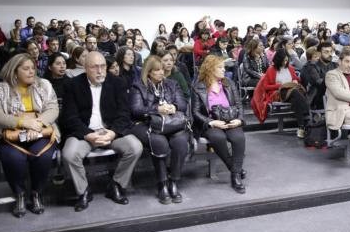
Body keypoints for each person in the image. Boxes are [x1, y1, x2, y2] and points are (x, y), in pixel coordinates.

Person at [61, 52, 143, 211]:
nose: (100, 71)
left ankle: (116, 184)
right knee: (69, 154)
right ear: (85, 68)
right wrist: (88, 134)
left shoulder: (117, 83)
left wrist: (113, 133)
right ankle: (83, 191)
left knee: (135, 147)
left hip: (110, 131)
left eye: (103, 66)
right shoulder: (72, 85)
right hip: (85, 133)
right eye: (95, 67)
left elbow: (124, 113)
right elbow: (69, 117)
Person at [0, 53, 60, 217]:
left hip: (40, 131)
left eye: (33, 68)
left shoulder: (44, 85)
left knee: (42, 156)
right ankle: (19, 194)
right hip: (10, 135)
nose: (31, 72)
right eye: (26, 69)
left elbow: (53, 109)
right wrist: (23, 122)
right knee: (14, 158)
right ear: (14, 71)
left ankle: (36, 193)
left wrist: (38, 124)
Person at [128, 55, 189, 204]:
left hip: (171, 123)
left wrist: (173, 106)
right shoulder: (138, 86)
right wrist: (157, 109)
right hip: (146, 124)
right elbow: (136, 110)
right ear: (148, 72)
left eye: (162, 69)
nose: (161, 72)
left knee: (181, 142)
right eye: (157, 70)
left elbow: (183, 104)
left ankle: (173, 181)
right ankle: (162, 184)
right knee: (159, 142)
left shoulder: (172, 84)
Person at [192, 55, 247, 193]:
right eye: (220, 67)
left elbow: (239, 105)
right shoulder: (199, 86)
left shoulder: (229, 83)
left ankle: (235, 174)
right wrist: (211, 122)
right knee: (218, 137)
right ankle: (235, 170)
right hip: (211, 122)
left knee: (238, 138)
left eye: (224, 67)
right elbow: (195, 112)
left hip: (231, 119)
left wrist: (240, 119)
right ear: (210, 69)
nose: (224, 70)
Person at [251, 49, 310, 138]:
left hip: (291, 91)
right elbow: (266, 86)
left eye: (286, 60)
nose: (285, 62)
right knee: (295, 93)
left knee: (296, 99)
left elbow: (296, 79)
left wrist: (295, 80)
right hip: (277, 93)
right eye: (283, 61)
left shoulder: (290, 68)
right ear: (278, 60)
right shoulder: (271, 70)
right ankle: (307, 114)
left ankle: (301, 127)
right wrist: (280, 85)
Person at [304, 41, 337, 110]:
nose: (330, 54)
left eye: (331, 52)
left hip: (334, 95)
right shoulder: (312, 66)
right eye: (326, 52)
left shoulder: (335, 65)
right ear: (319, 54)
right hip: (318, 98)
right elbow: (318, 82)